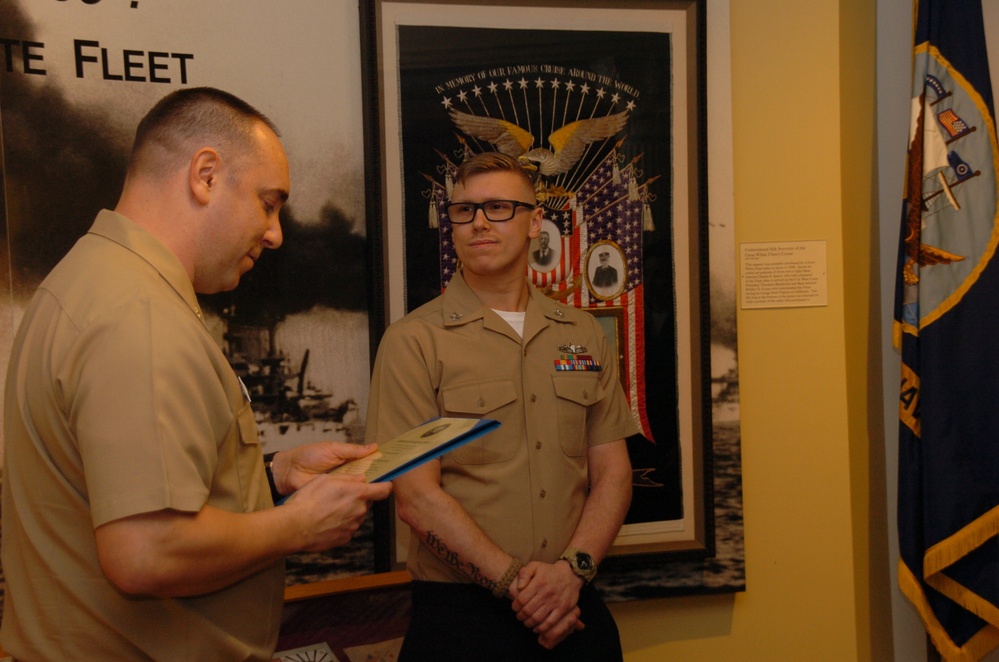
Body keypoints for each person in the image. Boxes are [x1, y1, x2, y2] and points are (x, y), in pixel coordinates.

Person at [0, 87, 392, 661]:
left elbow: (113, 482)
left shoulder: (92, 278)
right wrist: (299, 526)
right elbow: (145, 551)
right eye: (268, 202)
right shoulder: (139, 315)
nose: (276, 232)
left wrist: (272, 476)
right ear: (205, 175)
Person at [366, 152, 636, 660]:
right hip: (461, 621)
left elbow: (614, 474)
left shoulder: (581, 333)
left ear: (537, 222)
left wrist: (570, 574)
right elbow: (415, 498)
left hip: (574, 605)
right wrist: (524, 587)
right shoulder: (413, 342)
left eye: (499, 208)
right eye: (464, 211)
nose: (480, 223)